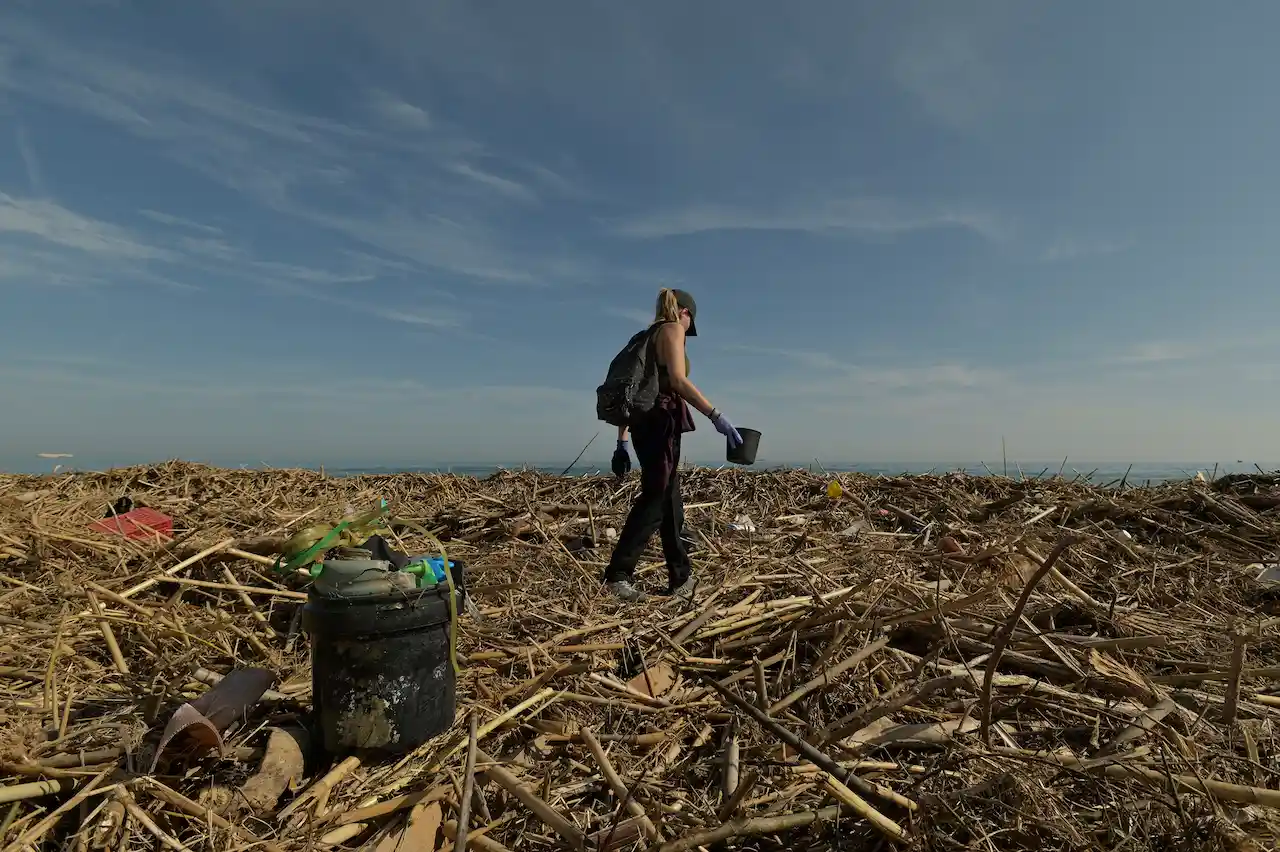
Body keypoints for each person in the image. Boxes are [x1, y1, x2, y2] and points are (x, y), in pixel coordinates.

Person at [603, 288, 743, 602]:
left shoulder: (645, 336)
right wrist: (714, 414)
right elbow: (678, 380)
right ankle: (617, 576)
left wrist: (622, 442)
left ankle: (681, 577)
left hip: (644, 425)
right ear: (685, 313)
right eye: (690, 320)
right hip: (660, 423)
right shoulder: (672, 330)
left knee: (670, 502)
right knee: (656, 499)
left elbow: (634, 392)